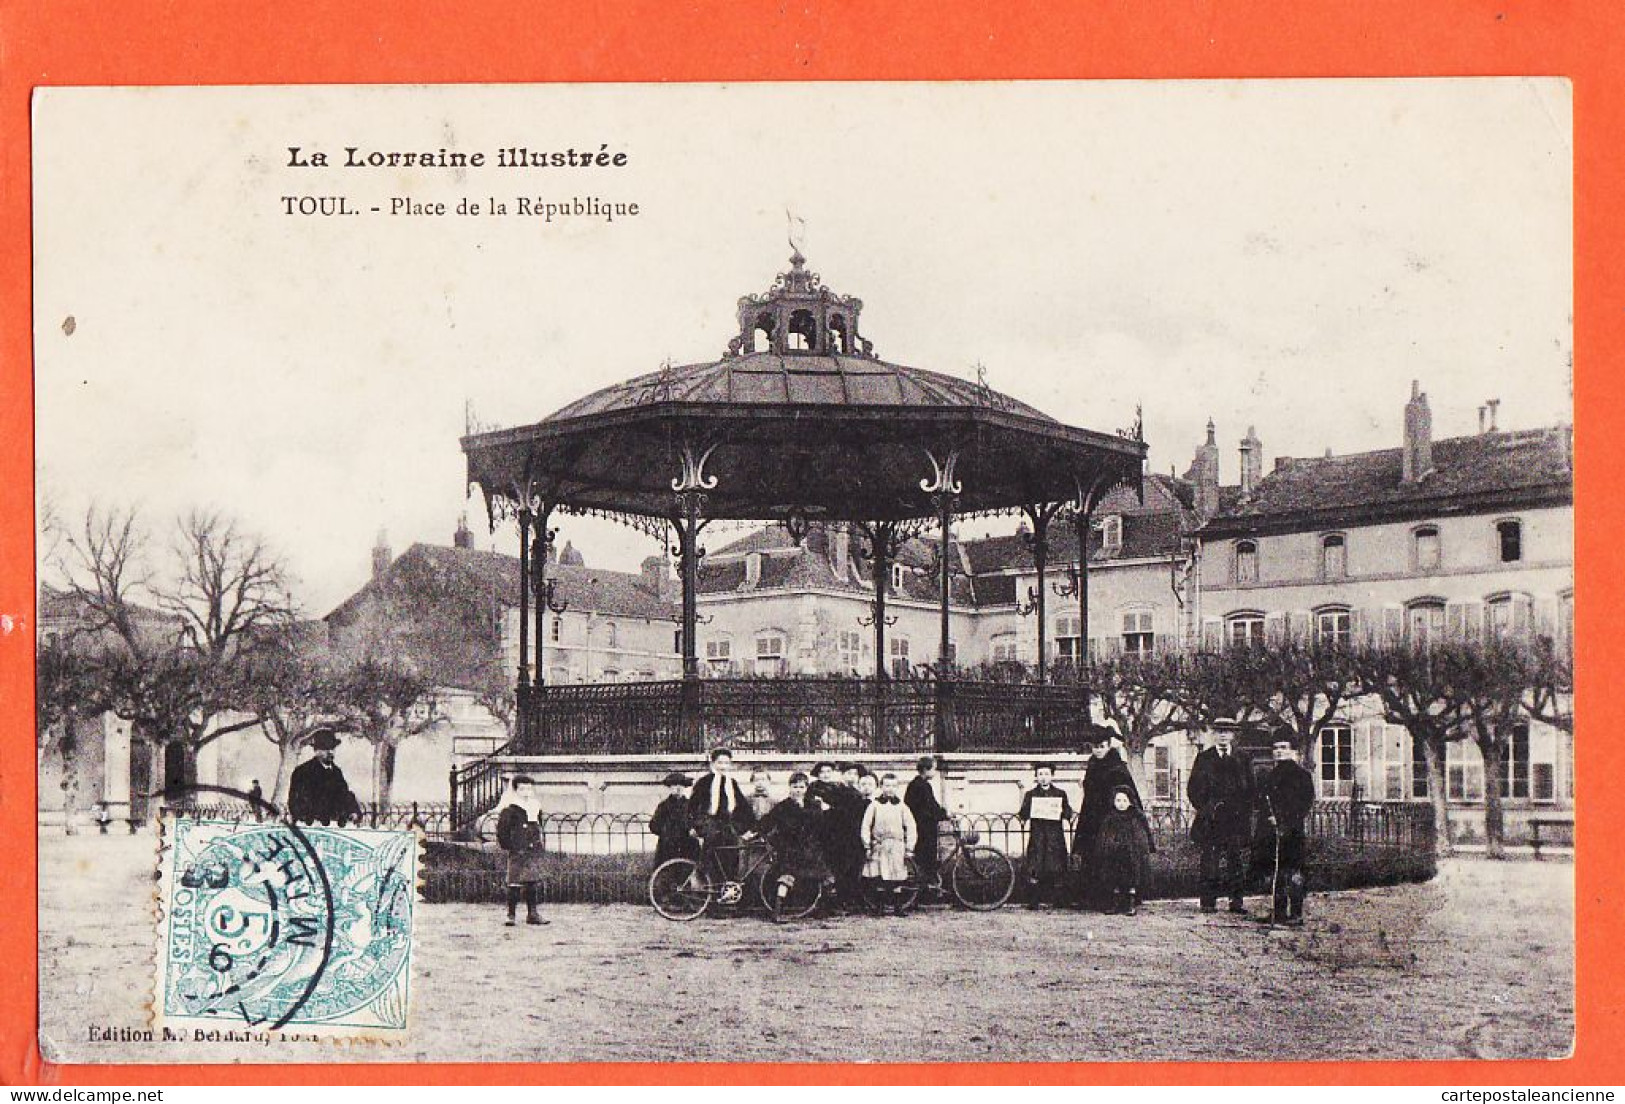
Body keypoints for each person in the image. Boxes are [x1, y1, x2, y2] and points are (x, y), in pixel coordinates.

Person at [1187, 725, 1256, 914]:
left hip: (1235, 819)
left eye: (1227, 731)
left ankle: (1236, 902)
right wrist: (1206, 808)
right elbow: (1193, 788)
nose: (1223, 735)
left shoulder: (1243, 759)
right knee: (1209, 860)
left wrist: (1243, 812)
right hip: (1212, 819)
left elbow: (1251, 789)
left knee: (1235, 860)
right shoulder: (1204, 758)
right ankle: (1208, 902)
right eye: (1219, 731)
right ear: (1214, 735)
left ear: (1233, 735)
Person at [1071, 733, 1143, 910]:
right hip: (1092, 816)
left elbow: (1127, 793)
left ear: (1109, 746)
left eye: (1102, 746)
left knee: (1113, 856)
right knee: (1091, 854)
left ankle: (1116, 898)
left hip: (1112, 818)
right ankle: (1092, 897)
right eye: (1095, 747)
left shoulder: (1117, 767)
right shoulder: (1092, 763)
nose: (1098, 750)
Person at [755, 771, 835, 919]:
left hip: (810, 848)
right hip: (789, 849)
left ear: (806, 788)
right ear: (790, 788)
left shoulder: (813, 806)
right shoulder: (783, 806)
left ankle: (822, 909)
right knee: (786, 877)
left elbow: (822, 825)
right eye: (795, 787)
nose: (798, 790)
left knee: (824, 876)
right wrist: (755, 832)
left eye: (801, 787)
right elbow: (768, 821)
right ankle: (777, 911)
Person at [1256, 736, 1316, 926]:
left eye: (1283, 747)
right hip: (1272, 831)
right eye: (1275, 748)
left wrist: (1282, 820)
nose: (1279, 751)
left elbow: (1303, 805)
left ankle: (1296, 913)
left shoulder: (1302, 776)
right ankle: (1279, 912)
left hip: (1292, 831)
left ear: (1293, 751)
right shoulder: (1270, 776)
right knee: (1276, 872)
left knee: (1294, 872)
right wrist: (1268, 817)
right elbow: (1263, 802)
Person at [687, 747, 755, 879]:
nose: (723, 766)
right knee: (711, 859)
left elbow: (743, 807)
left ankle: (727, 889)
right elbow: (692, 806)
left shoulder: (732, 783)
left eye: (726, 763)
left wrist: (749, 827)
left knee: (731, 857)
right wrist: (693, 825)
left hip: (728, 827)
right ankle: (703, 885)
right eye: (720, 762)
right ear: (713, 764)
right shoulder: (704, 782)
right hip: (710, 825)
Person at [1093, 786, 1156, 915]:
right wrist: (1109, 846)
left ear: (1130, 802)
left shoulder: (1135, 817)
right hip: (1114, 852)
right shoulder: (1110, 818)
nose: (1121, 804)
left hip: (1130, 853)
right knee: (1114, 877)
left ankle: (1131, 904)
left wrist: (1135, 847)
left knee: (1131, 878)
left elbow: (1141, 836)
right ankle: (1115, 903)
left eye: (1124, 801)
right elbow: (1104, 836)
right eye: (1118, 801)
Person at [1018, 764, 1074, 909]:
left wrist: (1061, 812)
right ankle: (1034, 900)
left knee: (1057, 866)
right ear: (1036, 776)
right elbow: (1023, 813)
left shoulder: (1060, 793)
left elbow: (1068, 812)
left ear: (1052, 776)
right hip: (1038, 835)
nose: (1043, 777)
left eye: (1046, 774)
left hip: (1055, 836)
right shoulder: (1030, 794)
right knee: (1035, 866)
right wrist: (1030, 810)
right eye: (1040, 774)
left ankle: (1059, 900)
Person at [495, 775, 549, 926]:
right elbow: (502, 830)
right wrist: (510, 846)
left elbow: (538, 825)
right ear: (516, 790)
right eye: (522, 789)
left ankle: (532, 914)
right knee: (514, 882)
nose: (526, 792)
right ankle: (511, 915)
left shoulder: (535, 805)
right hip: (517, 849)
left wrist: (538, 843)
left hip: (532, 848)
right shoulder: (511, 809)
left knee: (532, 880)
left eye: (529, 788)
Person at [861, 773, 918, 914]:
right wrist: (867, 844)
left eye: (893, 786)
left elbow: (911, 826)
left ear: (897, 787)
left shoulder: (902, 806)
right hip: (879, 845)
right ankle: (879, 907)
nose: (890, 789)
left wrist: (910, 846)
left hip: (897, 846)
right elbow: (866, 825)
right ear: (881, 787)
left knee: (896, 876)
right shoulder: (874, 805)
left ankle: (898, 907)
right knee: (879, 875)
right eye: (887, 785)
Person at [287, 728, 362, 826]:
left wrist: (353, 811)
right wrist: (308, 818)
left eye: (332, 748)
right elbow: (295, 802)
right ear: (316, 751)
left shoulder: (337, 773)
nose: (330, 752)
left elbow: (345, 795)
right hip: (311, 827)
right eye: (326, 748)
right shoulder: (303, 771)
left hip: (335, 827)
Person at [904, 756, 949, 898]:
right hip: (923, 828)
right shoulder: (922, 786)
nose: (935, 772)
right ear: (926, 769)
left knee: (924, 859)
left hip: (921, 826)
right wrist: (944, 814)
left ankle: (926, 887)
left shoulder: (916, 784)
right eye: (933, 768)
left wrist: (942, 813)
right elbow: (930, 807)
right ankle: (924, 889)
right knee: (926, 858)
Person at [649, 772, 699, 867]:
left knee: (689, 870)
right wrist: (667, 831)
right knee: (667, 871)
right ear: (670, 787)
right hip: (668, 846)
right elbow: (653, 826)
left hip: (688, 845)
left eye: (681, 785)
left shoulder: (691, 805)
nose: (678, 788)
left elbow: (698, 822)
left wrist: (694, 829)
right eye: (675, 785)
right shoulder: (664, 806)